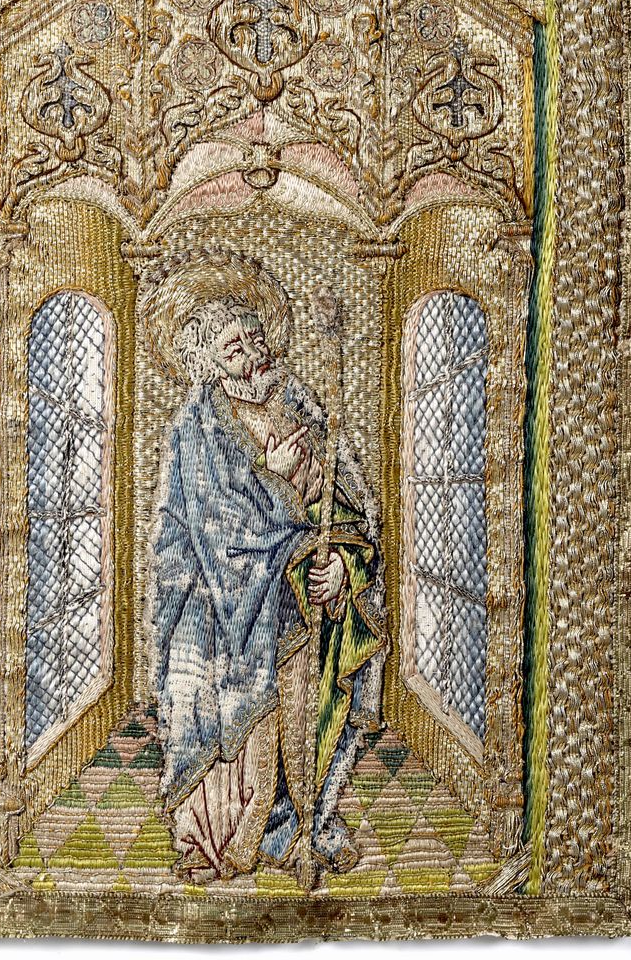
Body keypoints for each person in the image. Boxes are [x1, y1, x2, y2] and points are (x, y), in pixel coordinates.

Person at [142, 252, 387, 883]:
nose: (253, 356)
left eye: (255, 339)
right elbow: (214, 532)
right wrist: (274, 480)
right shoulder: (195, 428)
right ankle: (221, 839)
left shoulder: (298, 402)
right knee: (221, 700)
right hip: (215, 602)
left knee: (305, 704)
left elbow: (347, 507)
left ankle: (303, 821)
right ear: (207, 361)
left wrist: (345, 571)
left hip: (297, 590)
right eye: (234, 349)